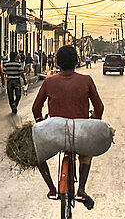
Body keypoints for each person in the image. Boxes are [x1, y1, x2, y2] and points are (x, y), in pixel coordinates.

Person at [32, 45, 104, 210]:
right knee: (86, 155)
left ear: (57, 62)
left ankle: (51, 187)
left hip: (55, 133)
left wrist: (41, 122)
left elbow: (36, 108)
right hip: (80, 132)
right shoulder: (86, 80)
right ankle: (81, 189)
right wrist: (93, 120)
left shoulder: (49, 81)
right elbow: (99, 108)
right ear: (77, 61)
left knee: (36, 154)